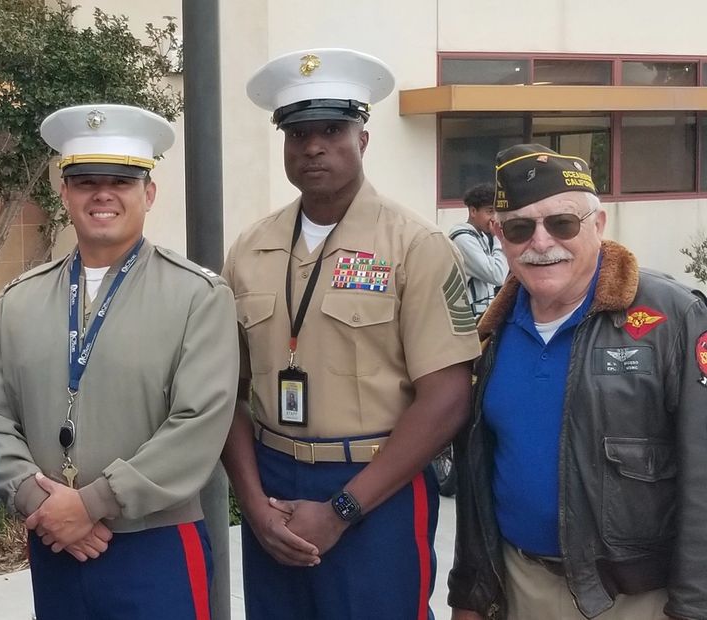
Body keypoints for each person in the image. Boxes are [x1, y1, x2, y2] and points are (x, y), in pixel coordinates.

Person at [221, 48, 480, 619]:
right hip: (274, 488)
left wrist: (342, 509)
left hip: (376, 483)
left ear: (363, 139)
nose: (313, 146)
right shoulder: (250, 249)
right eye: (297, 132)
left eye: (333, 130)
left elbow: (447, 398)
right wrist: (253, 504)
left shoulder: (414, 246)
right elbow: (226, 394)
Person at [0, 104, 238, 620]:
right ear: (65, 192)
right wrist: (35, 499)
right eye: (86, 180)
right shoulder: (19, 300)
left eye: (121, 180)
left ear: (148, 193)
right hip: (54, 544)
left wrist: (93, 503)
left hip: (155, 545)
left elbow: (200, 422)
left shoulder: (197, 296)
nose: (102, 194)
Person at [448, 144, 707, 620]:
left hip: (637, 600)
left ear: (598, 225)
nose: (542, 243)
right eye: (520, 228)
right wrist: (471, 590)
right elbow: (478, 475)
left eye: (562, 223)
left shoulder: (673, 317)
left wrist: (693, 607)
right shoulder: (491, 333)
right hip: (519, 586)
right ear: (499, 236)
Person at [449, 182, 508, 319]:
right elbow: (498, 275)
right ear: (473, 211)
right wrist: (499, 239)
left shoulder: (481, 237)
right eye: (489, 211)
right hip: (468, 318)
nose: (494, 218)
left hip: (481, 313)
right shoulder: (463, 239)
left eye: (496, 212)